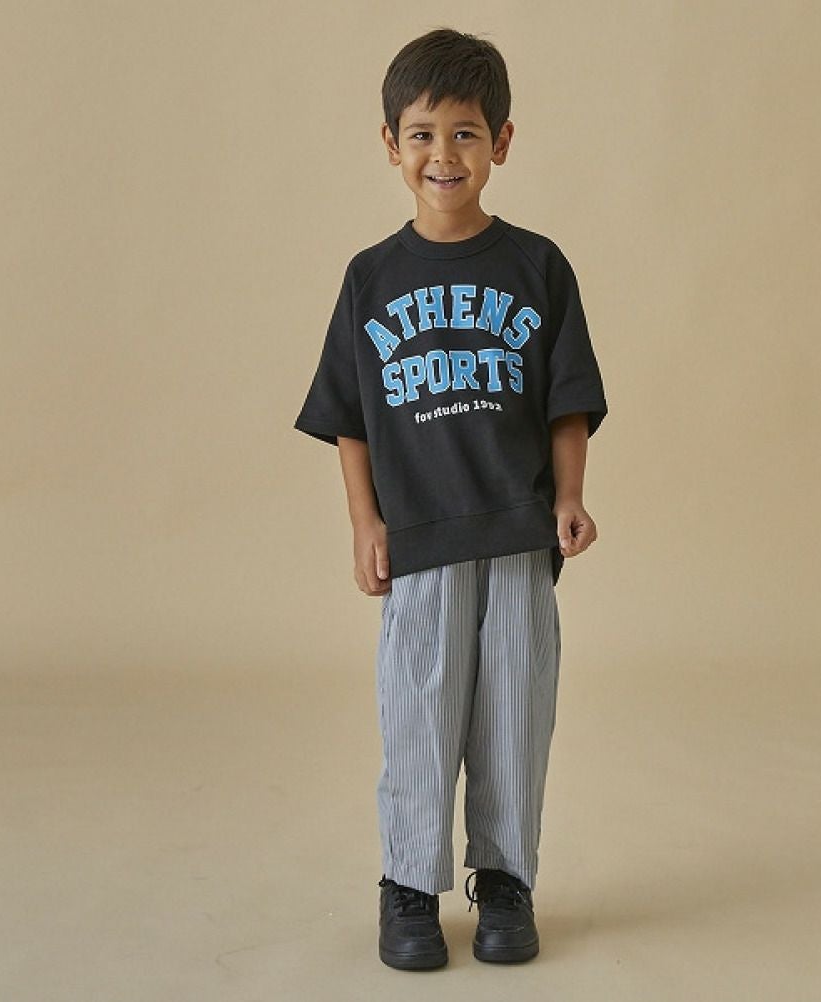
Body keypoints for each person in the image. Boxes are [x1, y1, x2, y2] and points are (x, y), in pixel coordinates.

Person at [294, 26, 608, 971]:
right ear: (390, 144)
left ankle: (506, 881)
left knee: (515, 712)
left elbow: (566, 401)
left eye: (465, 133)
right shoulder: (372, 278)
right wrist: (365, 523)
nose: (444, 154)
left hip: (516, 530)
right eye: (423, 134)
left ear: (501, 142)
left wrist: (569, 497)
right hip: (422, 538)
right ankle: (408, 885)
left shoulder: (538, 267)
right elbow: (348, 415)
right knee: (419, 714)